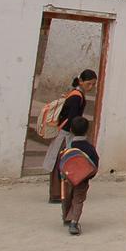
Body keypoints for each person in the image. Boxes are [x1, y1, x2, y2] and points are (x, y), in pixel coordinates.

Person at [47, 69, 97, 203]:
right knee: (63, 163)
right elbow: (72, 118)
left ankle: (57, 193)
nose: (91, 87)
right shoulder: (77, 96)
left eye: (93, 84)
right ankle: (58, 194)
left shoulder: (76, 93)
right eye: (89, 84)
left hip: (65, 132)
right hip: (66, 134)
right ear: (81, 81)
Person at [59, 116, 98, 236]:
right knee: (78, 200)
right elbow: (95, 164)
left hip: (67, 178)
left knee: (66, 198)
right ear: (87, 130)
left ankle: (67, 217)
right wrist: (89, 176)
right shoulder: (90, 148)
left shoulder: (69, 146)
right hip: (83, 179)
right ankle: (74, 223)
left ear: (71, 129)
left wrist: (62, 176)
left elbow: (62, 162)